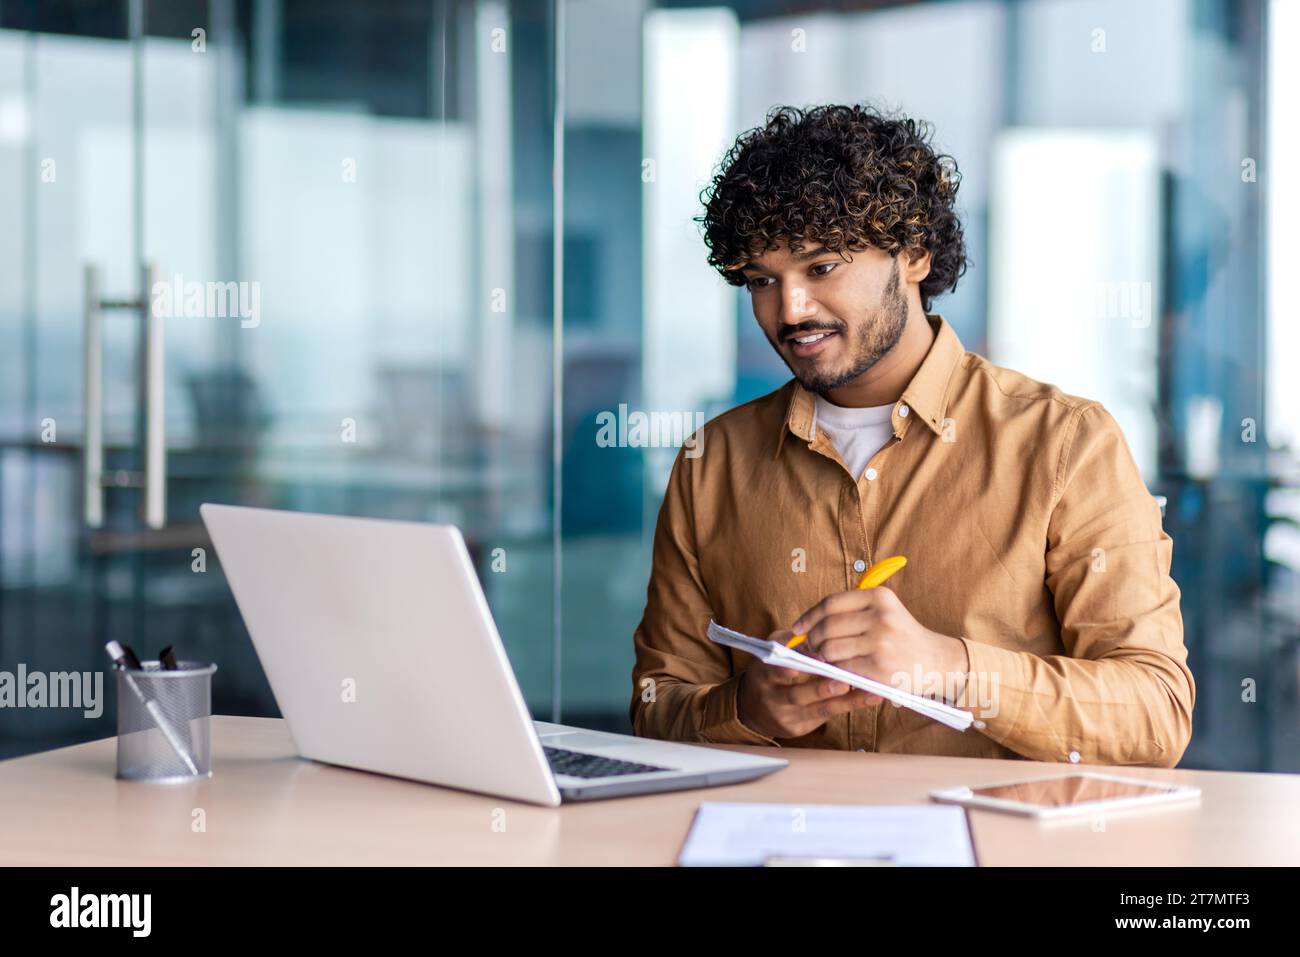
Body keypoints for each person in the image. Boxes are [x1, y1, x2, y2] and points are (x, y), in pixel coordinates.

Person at [629, 104, 1194, 766]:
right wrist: (747, 708)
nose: (790, 310)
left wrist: (949, 667)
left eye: (821, 267)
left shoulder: (1065, 444)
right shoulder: (713, 462)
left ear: (915, 254)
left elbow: (1155, 712)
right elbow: (654, 705)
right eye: (762, 280)